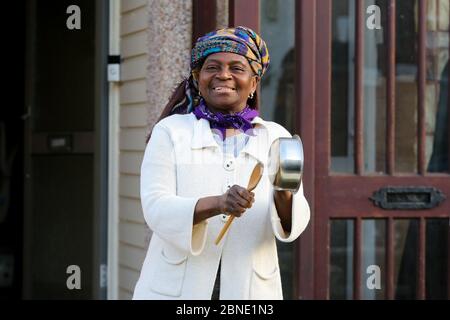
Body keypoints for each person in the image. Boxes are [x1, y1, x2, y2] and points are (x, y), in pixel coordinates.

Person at [133, 26, 310, 300]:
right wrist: (219, 203)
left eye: (237, 68)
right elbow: (156, 207)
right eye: (212, 67)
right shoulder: (171, 132)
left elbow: (294, 223)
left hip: (250, 291)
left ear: (253, 82)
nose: (223, 75)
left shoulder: (276, 138)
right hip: (175, 290)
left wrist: (284, 194)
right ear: (198, 77)